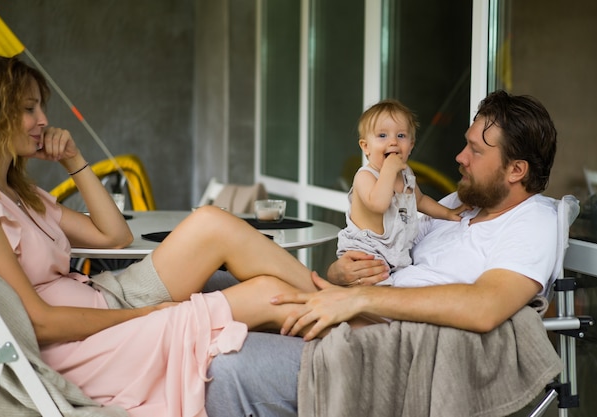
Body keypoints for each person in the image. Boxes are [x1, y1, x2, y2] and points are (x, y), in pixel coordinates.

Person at [0, 55, 322, 416]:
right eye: (29, 108)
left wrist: (74, 160)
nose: (43, 120)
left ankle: (344, 300)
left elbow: (114, 237)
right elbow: (39, 323)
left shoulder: (22, 195)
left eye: (41, 106)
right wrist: (147, 316)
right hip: (83, 347)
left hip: (108, 298)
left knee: (212, 223)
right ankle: (366, 331)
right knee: (266, 294)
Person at [205, 89, 559, 416]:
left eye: (476, 151)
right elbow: (383, 244)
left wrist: (361, 299)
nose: (460, 157)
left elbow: (485, 306)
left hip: (381, 339)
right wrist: (341, 274)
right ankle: (162, 323)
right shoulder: (458, 206)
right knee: (215, 275)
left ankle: (164, 325)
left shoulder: (534, 221)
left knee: (221, 363)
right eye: (465, 145)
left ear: (517, 170)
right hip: (359, 310)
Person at [337, 99, 467, 285]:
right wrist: (389, 170)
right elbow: (378, 204)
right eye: (382, 135)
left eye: (401, 136)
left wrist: (447, 213)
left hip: (395, 252)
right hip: (365, 253)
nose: (393, 142)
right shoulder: (365, 176)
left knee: (396, 293)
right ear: (365, 146)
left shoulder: (406, 174)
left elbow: (420, 200)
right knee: (375, 299)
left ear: (411, 145)